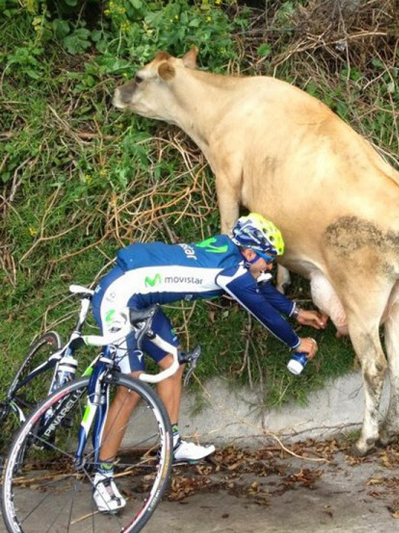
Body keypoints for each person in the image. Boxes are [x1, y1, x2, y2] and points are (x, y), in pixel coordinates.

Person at [90, 213, 327, 513]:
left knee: (173, 361)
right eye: (269, 259)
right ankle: (102, 476)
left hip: (143, 299)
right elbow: (262, 311)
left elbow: (260, 287)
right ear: (250, 252)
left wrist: (295, 312)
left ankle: (171, 443)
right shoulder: (229, 271)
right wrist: (297, 343)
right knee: (132, 384)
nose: (270, 266)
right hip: (120, 295)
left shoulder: (230, 247)